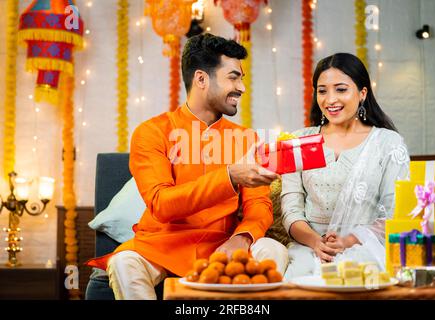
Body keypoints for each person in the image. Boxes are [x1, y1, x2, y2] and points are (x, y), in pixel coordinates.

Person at [86, 33, 288, 299]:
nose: (241, 87)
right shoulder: (152, 132)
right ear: (202, 79)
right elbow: (162, 203)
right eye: (233, 77)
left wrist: (243, 238)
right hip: (160, 245)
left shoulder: (246, 138)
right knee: (123, 263)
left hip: (223, 245)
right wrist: (229, 176)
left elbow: (258, 205)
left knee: (274, 251)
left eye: (241, 78)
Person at [281, 52, 410, 280]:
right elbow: (291, 209)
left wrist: (348, 241)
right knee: (297, 280)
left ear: (362, 93)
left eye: (341, 89)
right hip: (308, 249)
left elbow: (396, 211)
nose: (330, 100)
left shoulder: (387, 143)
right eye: (322, 91)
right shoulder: (299, 142)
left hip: (365, 248)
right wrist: (316, 242)